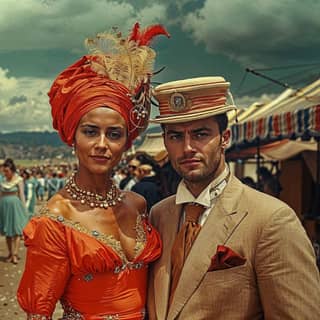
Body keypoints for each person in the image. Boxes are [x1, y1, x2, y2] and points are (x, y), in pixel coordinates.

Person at [17, 22, 169, 319]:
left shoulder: (137, 204)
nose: (102, 144)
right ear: (73, 137)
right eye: (90, 131)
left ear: (127, 143)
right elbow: (38, 314)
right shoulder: (54, 221)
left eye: (114, 134)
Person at [147, 76, 320, 319]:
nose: (187, 147)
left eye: (200, 134)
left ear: (225, 138)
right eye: (175, 136)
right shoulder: (159, 215)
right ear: (165, 141)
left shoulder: (272, 219)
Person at [0, 158, 27, 264]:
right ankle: (10, 253)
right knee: (7, 232)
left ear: (12, 170)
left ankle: (15, 254)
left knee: (16, 231)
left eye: (7, 171)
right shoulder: (2, 181)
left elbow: (21, 195)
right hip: (4, 207)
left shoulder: (18, 180)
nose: (5, 173)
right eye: (4, 171)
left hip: (15, 207)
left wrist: (24, 210)